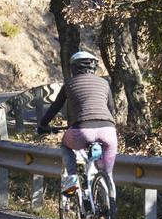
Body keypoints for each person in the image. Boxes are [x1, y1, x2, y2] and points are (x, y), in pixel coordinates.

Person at [37, 51, 118, 199]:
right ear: (94, 68)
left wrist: (43, 125)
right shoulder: (104, 83)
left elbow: (55, 107)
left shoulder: (69, 84)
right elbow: (112, 110)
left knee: (65, 146)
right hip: (108, 131)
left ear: (73, 68)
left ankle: (72, 181)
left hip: (81, 130)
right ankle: (109, 210)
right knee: (108, 174)